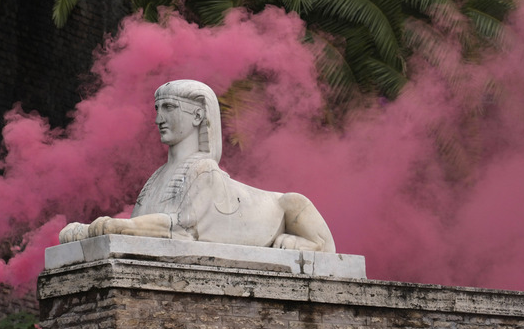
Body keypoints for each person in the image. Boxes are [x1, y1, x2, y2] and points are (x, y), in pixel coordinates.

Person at [59, 79, 336, 252]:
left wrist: (112, 227)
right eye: (157, 109)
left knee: (292, 201)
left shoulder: (204, 171)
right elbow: (145, 229)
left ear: (197, 116)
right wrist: (94, 231)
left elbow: (179, 229)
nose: (158, 119)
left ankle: (315, 243)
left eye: (169, 108)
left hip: (279, 218)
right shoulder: (157, 177)